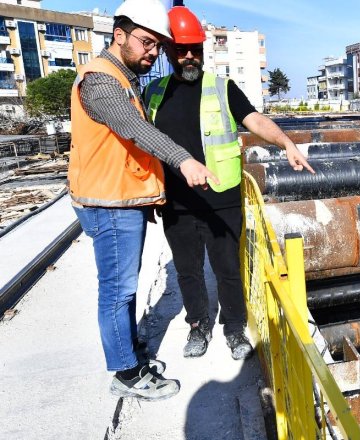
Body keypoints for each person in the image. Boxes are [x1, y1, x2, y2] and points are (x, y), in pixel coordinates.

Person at [144, 6, 314, 360]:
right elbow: (141, 141)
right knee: (188, 271)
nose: (189, 57)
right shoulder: (154, 92)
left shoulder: (222, 88)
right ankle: (198, 326)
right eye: (181, 50)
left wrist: (286, 143)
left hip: (221, 197)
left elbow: (254, 119)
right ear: (169, 51)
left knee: (227, 270)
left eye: (195, 50)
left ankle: (234, 330)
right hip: (176, 202)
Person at [70, 0, 218, 401]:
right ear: (119, 35)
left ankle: (128, 354)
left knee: (124, 289)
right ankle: (128, 373)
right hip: (109, 203)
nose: (153, 53)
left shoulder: (120, 77)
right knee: (117, 292)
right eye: (147, 43)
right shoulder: (101, 81)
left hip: (118, 199)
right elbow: (134, 129)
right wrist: (184, 159)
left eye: (157, 47)